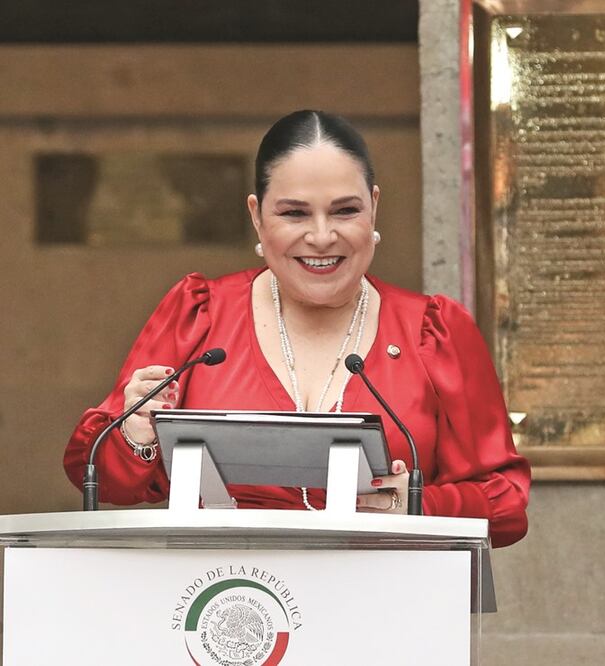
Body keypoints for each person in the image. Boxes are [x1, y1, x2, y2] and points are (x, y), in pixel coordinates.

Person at [63, 110, 530, 547]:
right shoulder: (199, 317)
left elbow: (507, 503)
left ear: (374, 207)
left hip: (387, 610)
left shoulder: (434, 331)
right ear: (256, 215)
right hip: (223, 606)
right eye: (294, 213)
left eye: (345, 211)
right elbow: (103, 478)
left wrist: (417, 504)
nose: (322, 236)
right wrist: (135, 439)